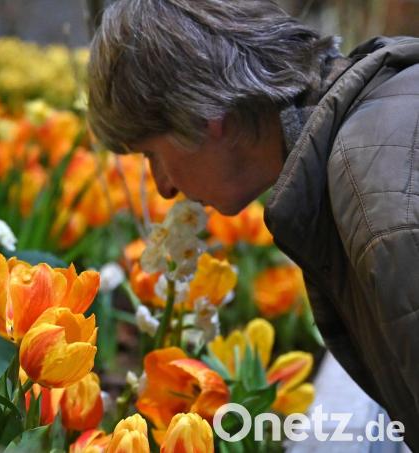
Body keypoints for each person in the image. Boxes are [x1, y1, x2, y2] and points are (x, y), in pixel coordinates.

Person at [87, 0, 419, 448]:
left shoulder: (375, 198)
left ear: (205, 115)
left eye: (152, 155)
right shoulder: (375, 126)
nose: (163, 188)